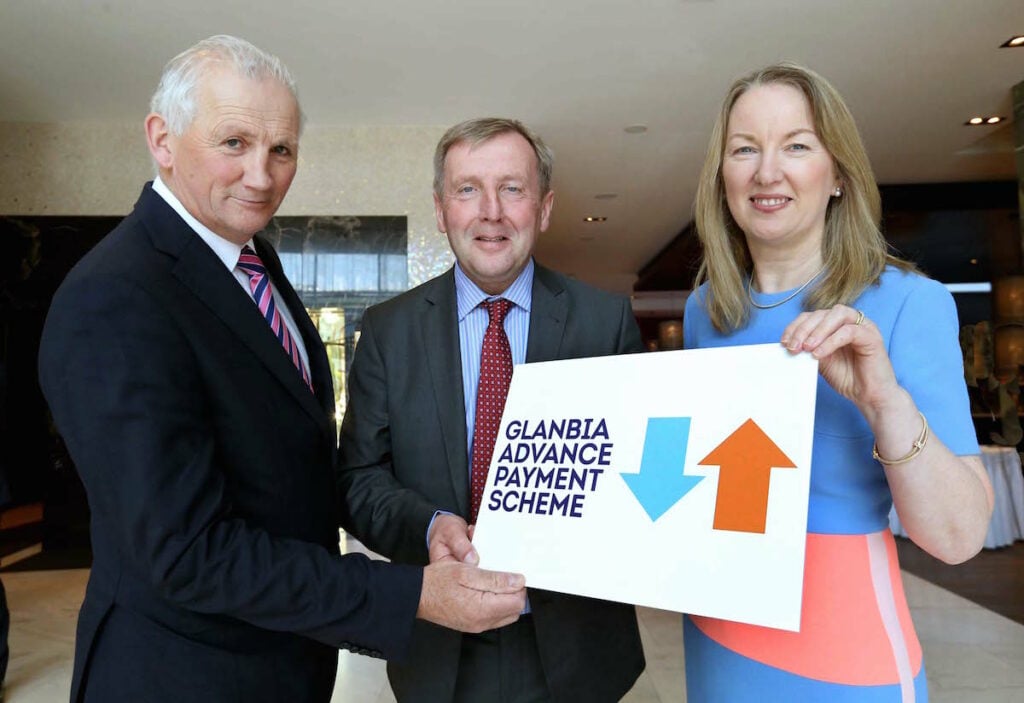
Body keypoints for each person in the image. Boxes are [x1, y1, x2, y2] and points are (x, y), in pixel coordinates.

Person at [37, 36, 526, 703]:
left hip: (279, 662)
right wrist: (409, 592)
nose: (262, 176)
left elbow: (296, 468)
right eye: (233, 143)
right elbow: (188, 552)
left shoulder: (250, 260)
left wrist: (424, 527)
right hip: (181, 676)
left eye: (282, 149)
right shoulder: (116, 295)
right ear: (162, 138)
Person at [682, 62, 994, 701]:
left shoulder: (910, 304)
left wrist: (883, 399)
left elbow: (959, 538)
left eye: (797, 145)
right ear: (723, 178)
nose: (768, 172)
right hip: (714, 644)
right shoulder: (705, 310)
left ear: (839, 177)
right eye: (745, 149)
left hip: (845, 659)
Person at [337, 117, 646, 702]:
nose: (490, 211)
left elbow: (636, 474)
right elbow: (357, 478)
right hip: (437, 648)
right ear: (440, 208)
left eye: (512, 188)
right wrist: (430, 524)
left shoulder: (604, 322)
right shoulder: (387, 331)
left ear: (545, 207)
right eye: (467, 189)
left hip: (578, 650)